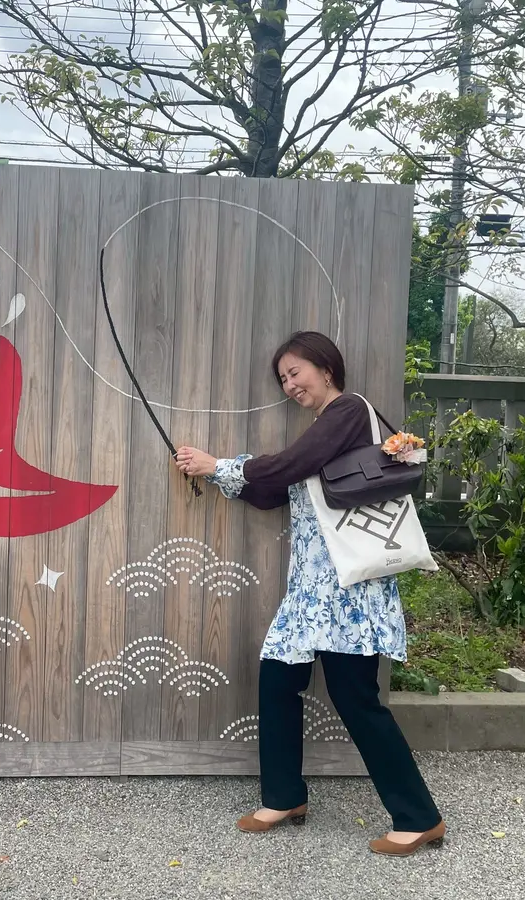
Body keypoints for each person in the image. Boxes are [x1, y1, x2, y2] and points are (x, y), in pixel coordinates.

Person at [174, 330, 446, 858]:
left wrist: (223, 465)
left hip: (348, 590)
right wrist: (215, 475)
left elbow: (292, 466)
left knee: (356, 700)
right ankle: (284, 797)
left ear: (326, 368)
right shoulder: (323, 433)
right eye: (283, 378)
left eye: (295, 371)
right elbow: (273, 492)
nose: (290, 384)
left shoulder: (347, 412)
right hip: (309, 593)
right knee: (277, 680)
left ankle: (418, 816)